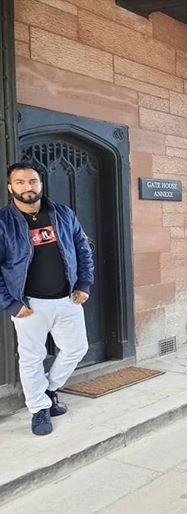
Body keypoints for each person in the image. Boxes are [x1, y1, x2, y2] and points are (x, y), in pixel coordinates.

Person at [0, 163, 94, 436]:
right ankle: (39, 409)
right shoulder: (4, 222)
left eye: (32, 181)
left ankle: (49, 390)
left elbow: (82, 247)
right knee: (31, 358)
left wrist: (85, 284)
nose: (27, 186)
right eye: (20, 182)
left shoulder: (62, 213)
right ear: (10, 188)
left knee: (77, 348)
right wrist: (11, 303)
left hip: (68, 298)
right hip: (29, 304)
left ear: (40, 184)